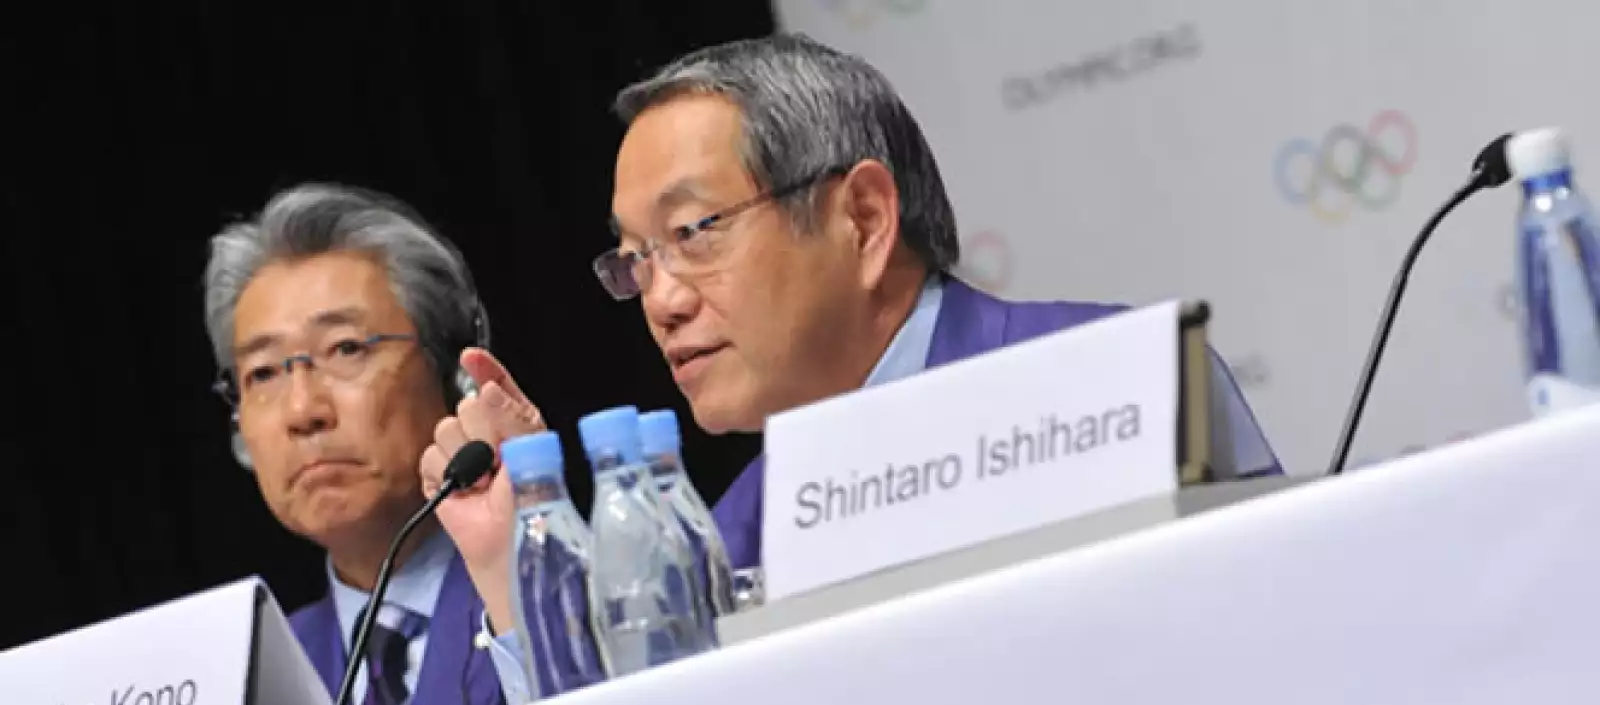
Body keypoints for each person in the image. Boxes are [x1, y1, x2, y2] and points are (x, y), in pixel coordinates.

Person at [422, 34, 1281, 638]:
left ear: (864, 221)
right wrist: (513, 553)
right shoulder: (736, 529)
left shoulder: (1123, 390)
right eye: (635, 259)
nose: (662, 300)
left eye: (693, 232)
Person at [203, 183, 512, 705]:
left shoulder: (553, 597)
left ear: (453, 373)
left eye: (346, 349)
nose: (303, 410)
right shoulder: (240, 690)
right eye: (264, 373)